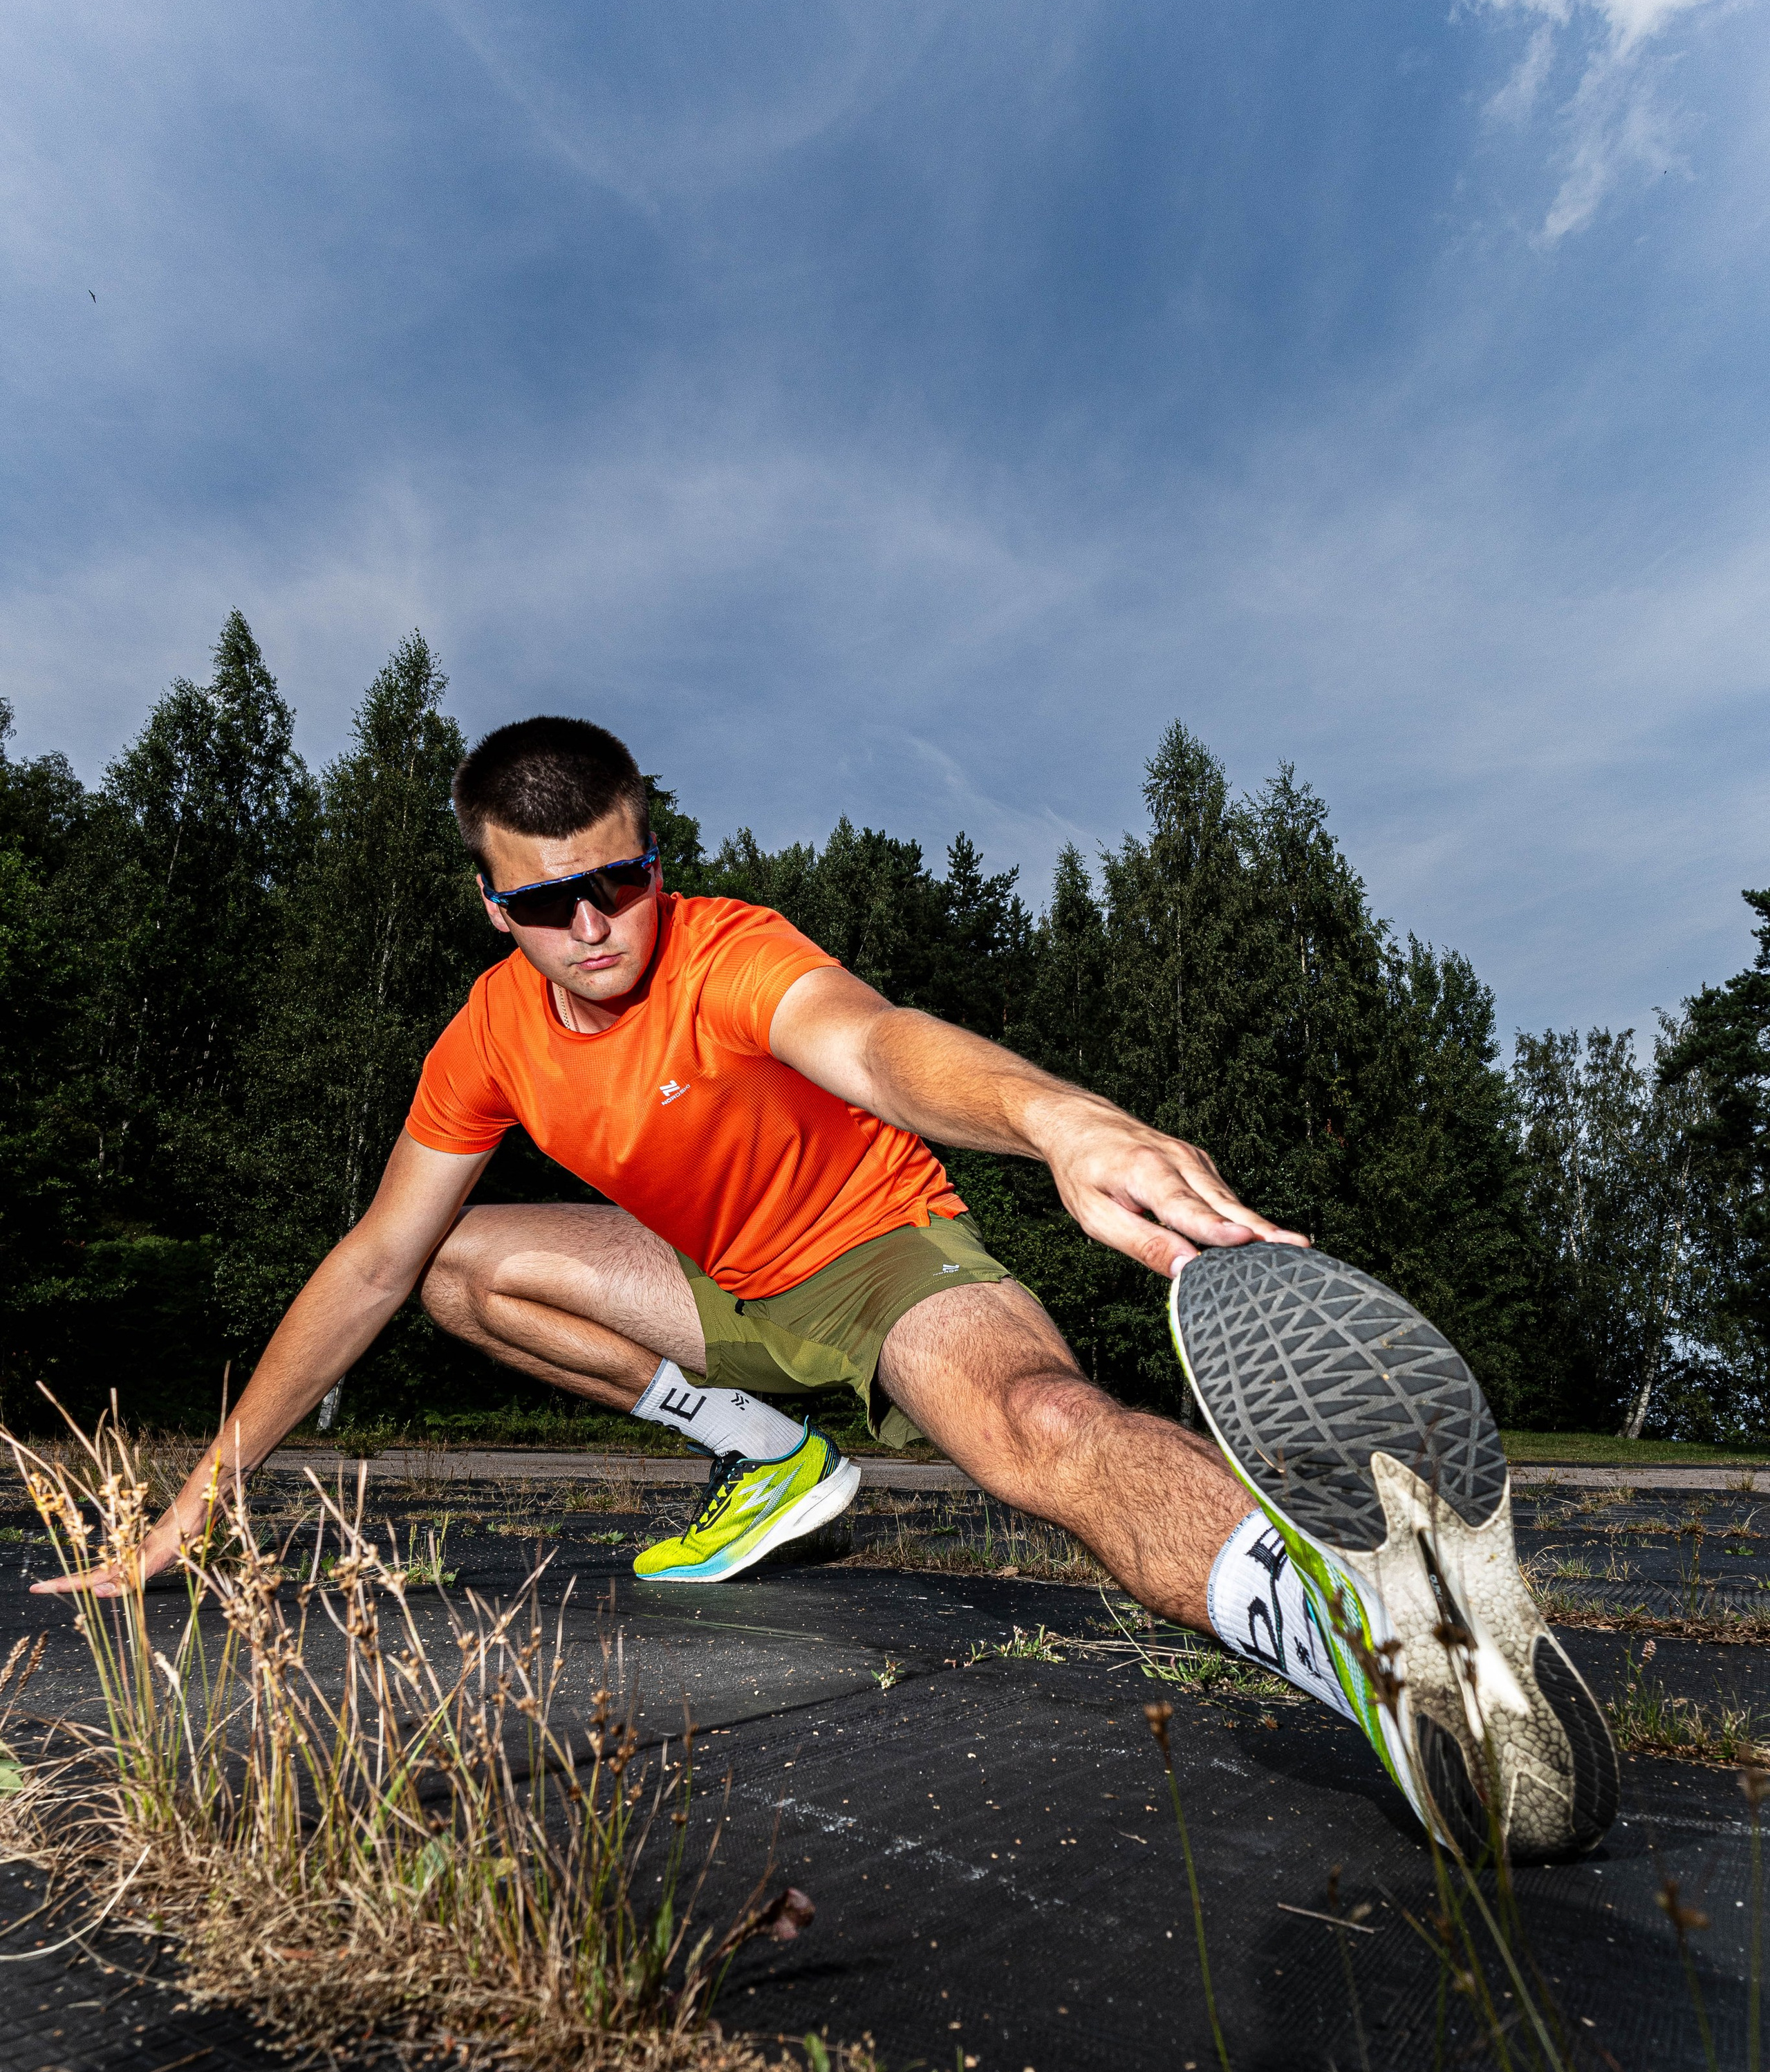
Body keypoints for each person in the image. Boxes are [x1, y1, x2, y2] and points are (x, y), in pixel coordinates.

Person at [36, 716, 1617, 1862]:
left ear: (652, 854)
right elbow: (367, 1262)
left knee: (1037, 1429)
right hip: (714, 1288)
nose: (595, 928)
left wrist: (1056, 1117)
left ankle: (1360, 1642)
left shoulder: (728, 953)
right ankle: (765, 1452)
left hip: (873, 1259)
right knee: (447, 1261)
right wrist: (200, 1501)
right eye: (545, 903)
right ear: (490, 902)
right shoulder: (483, 1037)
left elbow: (876, 1044)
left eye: (620, 881)